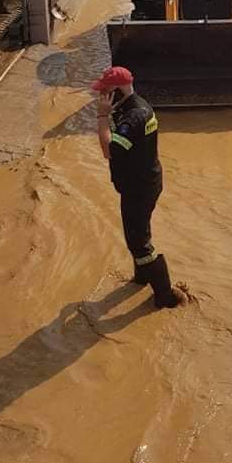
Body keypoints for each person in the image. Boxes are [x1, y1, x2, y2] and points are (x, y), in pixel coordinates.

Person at [92, 66, 184, 309]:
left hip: (139, 188)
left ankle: (165, 297)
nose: (101, 97)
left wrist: (102, 116)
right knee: (136, 233)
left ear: (118, 92)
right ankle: (142, 277)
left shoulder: (133, 117)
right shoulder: (134, 106)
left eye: (104, 92)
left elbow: (107, 150)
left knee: (138, 242)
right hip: (142, 181)